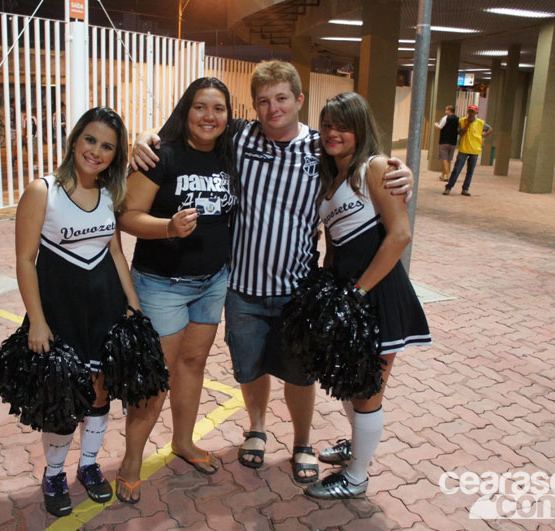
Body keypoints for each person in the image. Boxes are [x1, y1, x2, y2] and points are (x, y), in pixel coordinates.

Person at [131, 60, 413, 486]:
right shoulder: (240, 136)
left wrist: (399, 171)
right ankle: (257, 429)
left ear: (299, 100)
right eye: (263, 101)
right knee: (251, 369)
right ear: (253, 107)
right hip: (241, 287)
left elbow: (362, 160)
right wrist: (145, 137)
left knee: (301, 375)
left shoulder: (322, 149)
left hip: (298, 290)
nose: (272, 108)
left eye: (281, 98)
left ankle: (302, 442)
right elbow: (193, 126)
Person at [14, 107, 140, 517]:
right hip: (60, 310)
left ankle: (88, 465)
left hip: (104, 308)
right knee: (63, 397)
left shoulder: (109, 192)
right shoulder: (42, 190)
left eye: (107, 146)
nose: (96, 152)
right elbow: (24, 259)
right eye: (90, 140)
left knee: (100, 390)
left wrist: (133, 306)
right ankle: (53, 474)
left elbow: (117, 253)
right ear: (74, 140)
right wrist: (36, 319)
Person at [115, 77, 236, 503]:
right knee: (155, 379)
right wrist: (167, 227)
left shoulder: (229, 153)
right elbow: (127, 215)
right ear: (186, 111)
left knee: (192, 364)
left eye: (218, 109)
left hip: (212, 282)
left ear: (227, 115)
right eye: (200, 107)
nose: (209, 116)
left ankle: (182, 442)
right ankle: (130, 463)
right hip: (162, 284)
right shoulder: (161, 156)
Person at [306, 92, 431, 499]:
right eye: (326, 124)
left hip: (375, 295)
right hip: (347, 295)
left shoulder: (374, 168)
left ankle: (357, 478)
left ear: (360, 129)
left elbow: (400, 235)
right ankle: (357, 447)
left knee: (368, 391)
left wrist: (358, 293)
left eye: (342, 125)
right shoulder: (332, 176)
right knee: (352, 380)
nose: (331, 133)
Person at [443, 103, 491, 196]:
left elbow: (490, 129)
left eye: (473, 111)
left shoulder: (480, 123)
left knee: (470, 171)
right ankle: (448, 187)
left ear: (476, 112)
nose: (471, 113)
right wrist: (468, 124)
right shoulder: (462, 121)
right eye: (470, 111)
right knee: (457, 169)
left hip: (475, 150)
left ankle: (465, 188)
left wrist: (483, 136)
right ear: (467, 111)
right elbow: (460, 133)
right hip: (464, 149)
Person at [434, 105, 459, 181]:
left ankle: (448, 176)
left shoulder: (445, 118)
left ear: (449, 110)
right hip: (453, 142)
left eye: (446, 110)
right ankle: (442, 175)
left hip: (444, 141)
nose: (445, 111)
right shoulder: (458, 119)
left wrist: (436, 124)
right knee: (448, 159)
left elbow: (439, 127)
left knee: (444, 159)